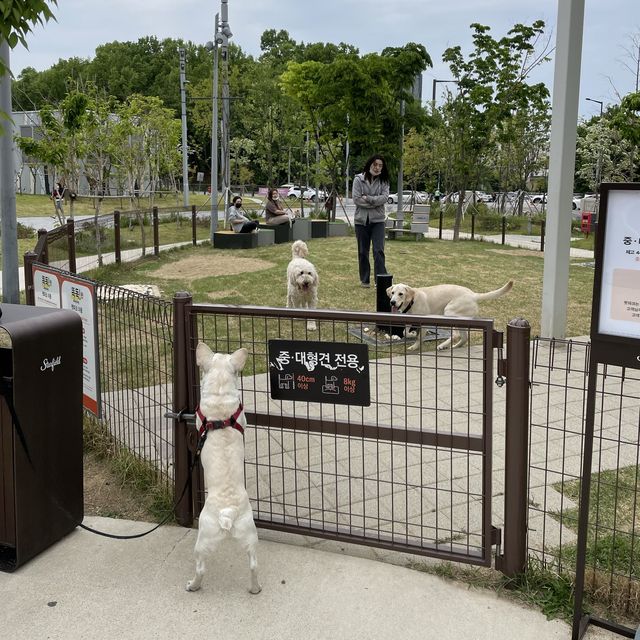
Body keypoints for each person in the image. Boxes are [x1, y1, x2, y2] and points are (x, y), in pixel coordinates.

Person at [352, 155, 390, 288]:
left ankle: (380, 281)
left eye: (380, 165)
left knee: (378, 250)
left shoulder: (384, 181)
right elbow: (356, 199)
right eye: (375, 164)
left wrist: (368, 198)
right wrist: (375, 202)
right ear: (369, 164)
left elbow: (384, 198)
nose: (377, 167)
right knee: (363, 251)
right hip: (361, 221)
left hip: (378, 221)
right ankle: (365, 280)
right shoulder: (358, 179)